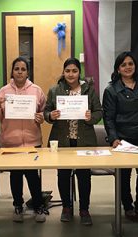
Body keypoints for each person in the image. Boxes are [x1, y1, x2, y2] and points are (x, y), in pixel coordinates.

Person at [44, 57, 102, 226]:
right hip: (62, 140)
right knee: (63, 175)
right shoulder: (54, 90)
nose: (71, 74)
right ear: (63, 72)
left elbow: (99, 111)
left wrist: (92, 117)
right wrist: (51, 115)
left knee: (84, 176)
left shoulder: (89, 90)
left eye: (74, 71)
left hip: (83, 140)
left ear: (79, 72)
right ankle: (66, 208)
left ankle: (84, 209)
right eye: (67, 71)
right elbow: (47, 111)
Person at [0, 57, 47, 223]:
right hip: (10, 142)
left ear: (28, 72)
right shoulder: (4, 91)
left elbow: (44, 111)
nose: (20, 72)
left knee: (32, 176)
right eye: (17, 69)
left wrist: (41, 117)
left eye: (23, 69)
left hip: (32, 141)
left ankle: (38, 206)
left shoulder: (36, 90)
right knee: (15, 176)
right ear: (12, 71)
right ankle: (18, 206)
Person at [102, 51, 138, 222]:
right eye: (123, 65)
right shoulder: (111, 89)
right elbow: (108, 117)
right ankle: (128, 207)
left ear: (135, 66)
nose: (128, 67)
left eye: (130, 63)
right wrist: (113, 138)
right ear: (118, 68)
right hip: (123, 138)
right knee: (124, 176)